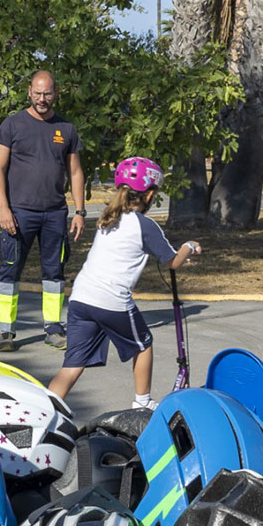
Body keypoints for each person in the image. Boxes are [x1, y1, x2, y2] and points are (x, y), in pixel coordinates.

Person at [46, 158, 198, 408]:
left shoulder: (110, 217)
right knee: (143, 344)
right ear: (148, 194)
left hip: (82, 298)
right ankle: (142, 403)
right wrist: (190, 247)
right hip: (111, 300)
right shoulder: (144, 224)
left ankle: (47, 409)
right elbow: (172, 261)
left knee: (72, 365)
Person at [0, 70, 87, 352]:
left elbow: (76, 171)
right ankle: (5, 331)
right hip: (18, 213)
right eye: (38, 93)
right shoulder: (12, 125)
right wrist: (3, 209)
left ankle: (53, 328)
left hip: (55, 214)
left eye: (47, 94)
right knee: (10, 270)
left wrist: (79, 211)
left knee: (54, 272)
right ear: (29, 92)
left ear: (55, 93)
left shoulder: (66, 128)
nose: (42, 99)